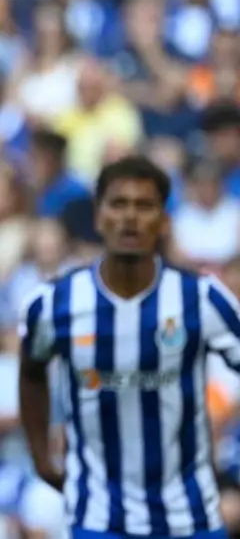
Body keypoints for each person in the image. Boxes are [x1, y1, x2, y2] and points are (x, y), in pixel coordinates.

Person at [19, 154, 240, 539]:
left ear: (164, 220)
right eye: (119, 204)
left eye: (144, 205)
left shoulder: (201, 299)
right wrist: (42, 459)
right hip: (99, 518)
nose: (130, 217)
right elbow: (31, 372)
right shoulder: (56, 303)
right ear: (98, 217)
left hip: (190, 516)